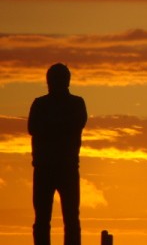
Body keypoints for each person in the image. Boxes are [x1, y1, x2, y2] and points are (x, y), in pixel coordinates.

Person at [28, 63, 87, 245]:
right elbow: (33, 128)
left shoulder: (76, 104)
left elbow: (73, 125)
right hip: (46, 168)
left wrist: (50, 127)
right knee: (43, 220)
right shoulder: (40, 104)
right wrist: (59, 127)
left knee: (69, 219)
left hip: (65, 168)